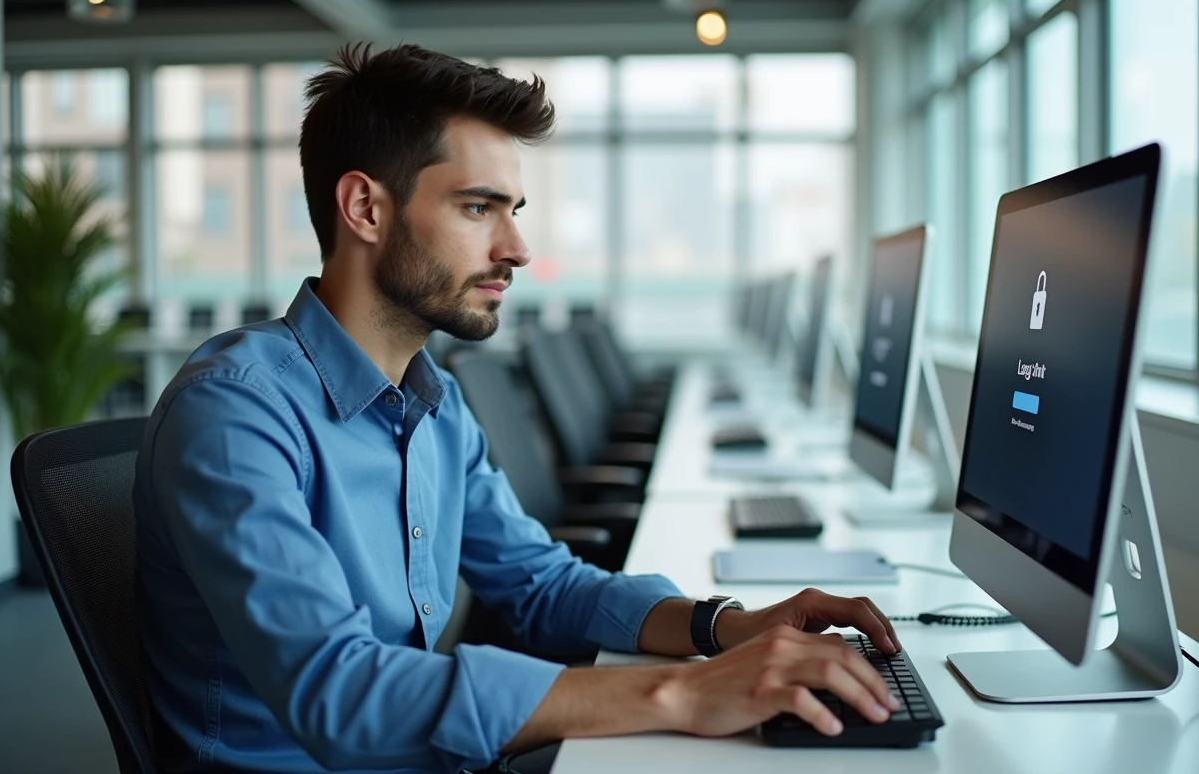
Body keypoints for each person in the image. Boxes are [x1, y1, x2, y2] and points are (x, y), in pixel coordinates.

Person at [134, 43, 903, 774]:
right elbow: (339, 693)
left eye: (515, 209)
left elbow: (541, 586)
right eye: (479, 208)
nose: (519, 248)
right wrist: (681, 693)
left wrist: (724, 627)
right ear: (365, 208)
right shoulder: (236, 415)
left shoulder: (434, 403)